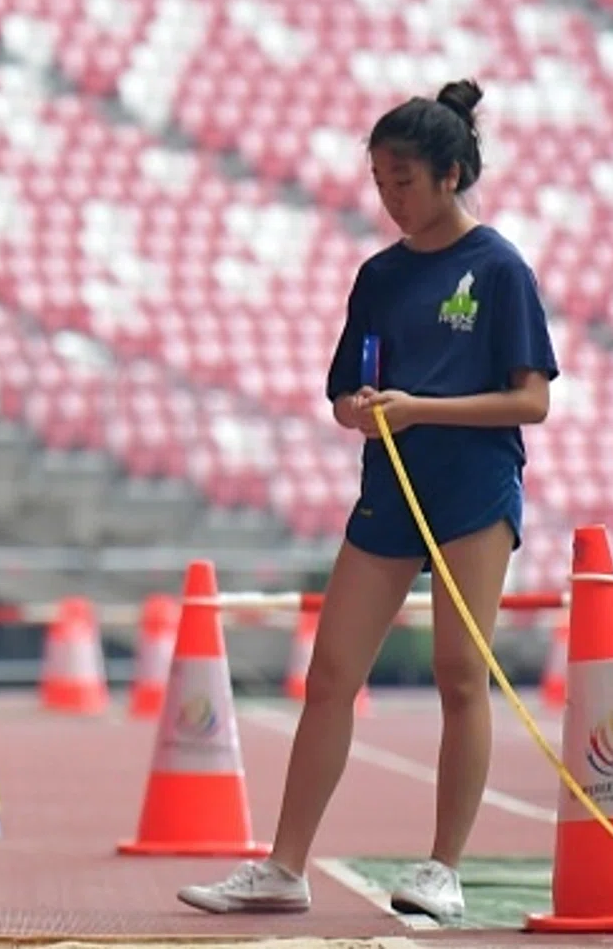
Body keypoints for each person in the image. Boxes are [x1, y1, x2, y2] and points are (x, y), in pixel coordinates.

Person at [177, 80, 558, 923]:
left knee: (462, 675)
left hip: (472, 492)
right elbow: (349, 387)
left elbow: (530, 401)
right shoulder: (379, 276)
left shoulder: (499, 270)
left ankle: (442, 869)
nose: (390, 199)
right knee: (330, 675)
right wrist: (358, 409)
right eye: (380, 182)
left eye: (405, 182)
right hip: (390, 492)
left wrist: (423, 409)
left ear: (452, 173)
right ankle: (283, 866)